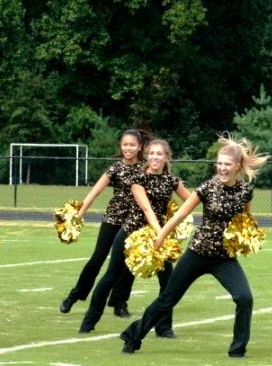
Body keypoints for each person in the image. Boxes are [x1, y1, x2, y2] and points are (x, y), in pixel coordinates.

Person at [120, 136, 269, 356]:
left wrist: (249, 237)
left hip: (224, 258)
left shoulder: (245, 191)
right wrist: (160, 236)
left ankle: (237, 350)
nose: (222, 168)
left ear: (237, 166)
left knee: (244, 298)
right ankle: (134, 336)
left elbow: (245, 218)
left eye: (227, 164)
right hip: (197, 253)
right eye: (219, 163)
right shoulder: (208, 187)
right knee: (168, 299)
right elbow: (180, 214)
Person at [78, 139, 190, 334]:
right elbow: (146, 209)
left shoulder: (172, 181)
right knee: (110, 277)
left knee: (168, 282)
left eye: (159, 154)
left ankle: (164, 327)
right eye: (152, 153)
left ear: (166, 157)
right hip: (131, 233)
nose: (155, 157)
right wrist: (161, 233)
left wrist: (179, 222)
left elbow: (191, 202)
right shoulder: (138, 179)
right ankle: (89, 321)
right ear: (147, 156)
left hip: (158, 235)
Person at [59, 129, 145, 318]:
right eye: (125, 144)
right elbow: (94, 192)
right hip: (112, 219)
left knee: (130, 262)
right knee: (97, 259)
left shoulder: (146, 168)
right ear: (121, 146)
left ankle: (119, 303)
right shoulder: (115, 168)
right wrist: (80, 213)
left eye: (132, 145)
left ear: (139, 147)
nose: (128, 148)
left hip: (136, 221)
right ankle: (74, 296)